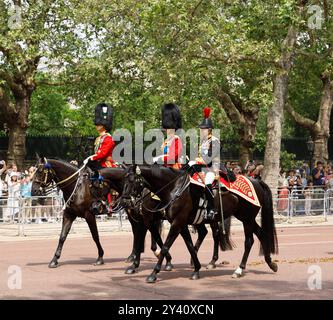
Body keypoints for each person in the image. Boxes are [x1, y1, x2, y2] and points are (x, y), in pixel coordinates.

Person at [189, 107, 223, 220]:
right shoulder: (204, 141)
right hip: (203, 168)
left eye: (203, 129)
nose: (201, 130)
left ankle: (212, 209)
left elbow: (208, 159)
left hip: (213, 168)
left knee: (207, 182)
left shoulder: (215, 141)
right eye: (201, 129)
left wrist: (197, 160)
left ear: (209, 129)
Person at [84, 103, 116, 215]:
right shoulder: (99, 138)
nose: (97, 125)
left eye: (99, 123)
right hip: (99, 163)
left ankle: (108, 204)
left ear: (104, 125)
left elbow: (103, 153)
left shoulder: (108, 138)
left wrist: (91, 157)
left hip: (107, 163)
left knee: (104, 181)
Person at [152, 103, 183, 169]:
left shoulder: (176, 140)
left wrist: (159, 158)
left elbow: (172, 158)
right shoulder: (166, 141)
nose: (166, 130)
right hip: (164, 168)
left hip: (174, 171)